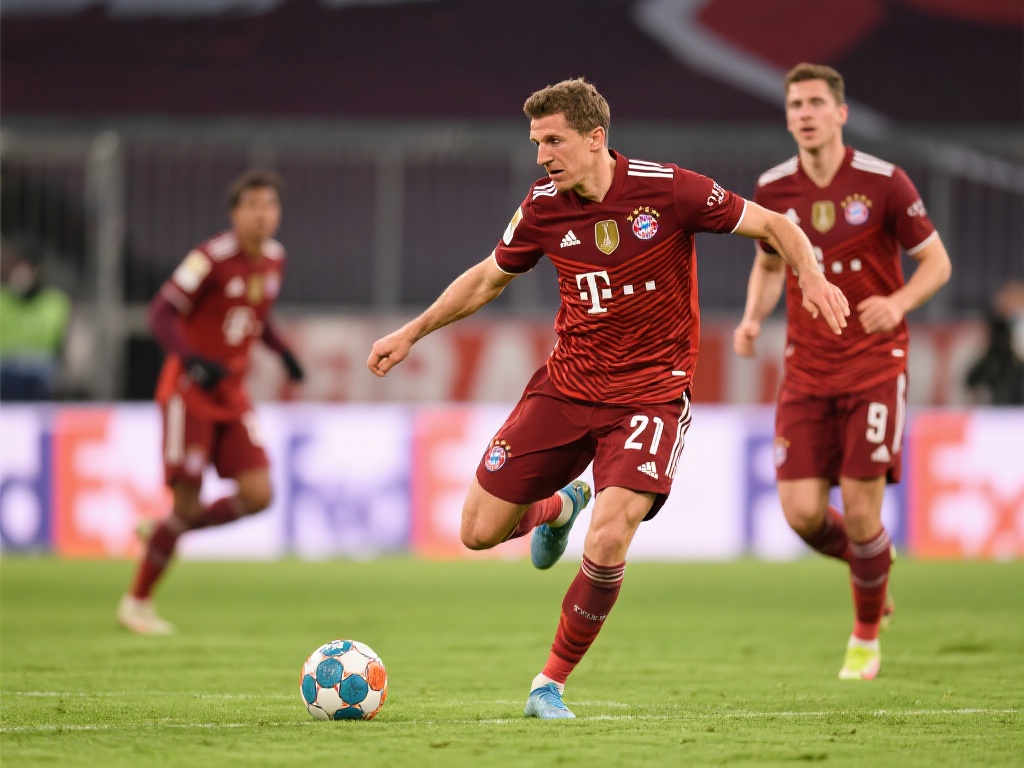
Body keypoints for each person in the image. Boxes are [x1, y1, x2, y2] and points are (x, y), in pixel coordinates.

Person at [368, 78, 850, 718]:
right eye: (537, 142)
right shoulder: (542, 206)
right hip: (566, 388)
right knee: (478, 532)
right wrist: (411, 332)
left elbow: (776, 224)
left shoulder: (670, 189)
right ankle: (556, 509)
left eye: (554, 140)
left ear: (595, 138)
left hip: (649, 398)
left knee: (610, 537)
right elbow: (488, 278)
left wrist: (810, 274)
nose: (542, 155)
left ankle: (549, 684)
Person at [733, 63, 953, 681]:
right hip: (806, 370)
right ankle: (872, 566)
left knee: (861, 514)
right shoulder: (774, 188)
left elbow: (937, 263)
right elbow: (769, 266)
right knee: (802, 515)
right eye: (795, 105)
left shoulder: (884, 182)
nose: (804, 114)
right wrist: (752, 319)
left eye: (814, 103)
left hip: (874, 365)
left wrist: (899, 303)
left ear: (840, 113)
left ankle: (864, 637)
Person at [117, 170, 305, 635]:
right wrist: (193, 360)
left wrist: (283, 353)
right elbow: (161, 312)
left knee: (259, 495)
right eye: (253, 206)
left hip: (232, 393)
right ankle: (137, 603)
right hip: (190, 393)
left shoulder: (275, 259)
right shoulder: (210, 258)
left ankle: (164, 531)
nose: (262, 215)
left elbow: (255, 317)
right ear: (235, 214)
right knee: (186, 503)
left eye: (270, 206)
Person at [0, 239, 71, 401]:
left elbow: (59, 349)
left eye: (24, 264)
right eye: (14, 265)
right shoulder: (2, 301)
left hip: (40, 379)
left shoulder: (55, 303)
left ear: (37, 269)